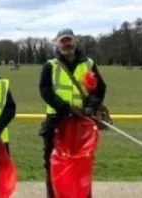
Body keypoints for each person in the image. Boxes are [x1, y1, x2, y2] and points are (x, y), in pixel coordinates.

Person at [40, 29, 107, 198]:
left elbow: (99, 88)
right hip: (56, 122)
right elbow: (45, 91)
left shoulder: (89, 64)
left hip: (82, 124)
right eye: (63, 41)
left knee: (82, 166)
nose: (66, 44)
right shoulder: (50, 66)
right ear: (57, 43)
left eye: (69, 40)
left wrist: (91, 107)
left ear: (75, 41)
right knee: (53, 166)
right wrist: (65, 108)